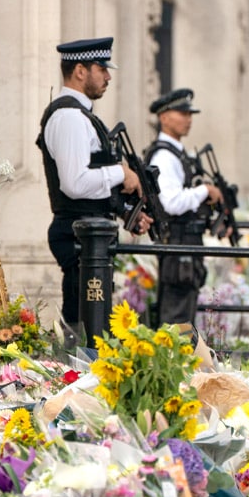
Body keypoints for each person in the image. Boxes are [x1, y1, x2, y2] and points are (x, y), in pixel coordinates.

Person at [36, 37, 149, 329]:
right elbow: (74, 183)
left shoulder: (81, 115)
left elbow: (92, 180)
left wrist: (127, 212)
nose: (108, 76)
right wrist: (121, 173)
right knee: (84, 330)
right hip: (78, 236)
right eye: (102, 68)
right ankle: (76, 373)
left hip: (89, 236)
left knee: (91, 327)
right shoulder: (69, 116)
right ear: (80, 71)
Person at [143, 88, 223, 326]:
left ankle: (180, 360)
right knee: (176, 316)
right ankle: (172, 361)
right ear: (163, 117)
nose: (188, 119)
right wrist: (205, 191)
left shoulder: (177, 153)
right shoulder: (164, 157)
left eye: (190, 114)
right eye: (181, 113)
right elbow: (171, 203)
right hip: (178, 244)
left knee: (184, 312)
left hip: (185, 243)